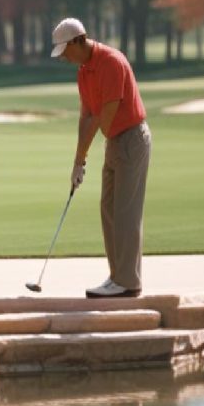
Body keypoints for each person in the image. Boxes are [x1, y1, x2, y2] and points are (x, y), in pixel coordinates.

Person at [52, 18, 151, 298]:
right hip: (115, 141)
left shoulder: (111, 63)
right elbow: (86, 116)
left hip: (131, 139)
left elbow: (103, 119)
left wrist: (86, 153)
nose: (64, 58)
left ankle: (129, 281)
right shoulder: (84, 71)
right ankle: (117, 276)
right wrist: (78, 162)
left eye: (65, 51)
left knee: (126, 212)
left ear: (79, 41)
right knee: (108, 209)